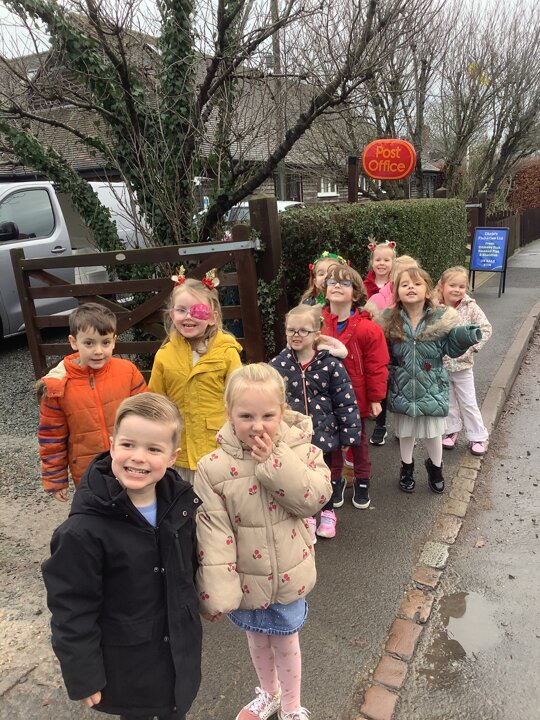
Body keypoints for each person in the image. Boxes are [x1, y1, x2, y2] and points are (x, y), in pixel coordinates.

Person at [41, 393, 202, 720]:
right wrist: (82, 672)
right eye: (129, 445)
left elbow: (189, 563)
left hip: (178, 653)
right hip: (130, 663)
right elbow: (72, 606)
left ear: (173, 457)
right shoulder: (83, 531)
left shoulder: (179, 506)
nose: (138, 457)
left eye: (153, 449)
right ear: (113, 446)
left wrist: (203, 598)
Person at [194, 364, 331, 720]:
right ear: (229, 414)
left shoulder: (301, 450)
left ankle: (291, 706)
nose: (257, 426)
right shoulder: (212, 467)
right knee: (256, 638)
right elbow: (214, 533)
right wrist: (216, 593)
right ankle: (269, 693)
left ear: (282, 411)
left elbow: (315, 498)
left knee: (286, 641)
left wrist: (275, 461)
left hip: (289, 572)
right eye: (246, 416)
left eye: (268, 415)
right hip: (245, 577)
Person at [379, 267, 483, 494]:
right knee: (406, 432)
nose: (411, 287)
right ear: (397, 292)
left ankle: (435, 467)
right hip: (402, 386)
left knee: (433, 432)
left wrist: (467, 335)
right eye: (404, 284)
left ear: (427, 290)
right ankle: (406, 467)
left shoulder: (440, 318)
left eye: (417, 283)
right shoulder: (389, 320)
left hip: (432, 385)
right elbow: (383, 353)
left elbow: (451, 347)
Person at [37, 302, 146, 501]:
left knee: (135, 511)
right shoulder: (57, 385)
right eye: (89, 343)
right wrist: (56, 479)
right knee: (97, 514)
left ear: (114, 341)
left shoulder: (128, 372)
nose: (98, 351)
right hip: (88, 471)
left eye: (105, 342)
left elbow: (146, 417)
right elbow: (51, 436)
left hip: (130, 464)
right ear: (73, 342)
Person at [270, 304, 361, 540]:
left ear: (316, 334)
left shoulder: (330, 364)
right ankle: (307, 516)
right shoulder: (278, 365)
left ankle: (328, 512)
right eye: (291, 330)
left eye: (303, 331)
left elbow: (345, 400)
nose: (296, 335)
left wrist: (348, 435)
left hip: (325, 433)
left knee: (326, 474)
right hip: (295, 435)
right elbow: (271, 399)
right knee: (300, 477)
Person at [148, 267, 242, 483]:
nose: (189, 316)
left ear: (212, 317)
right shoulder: (164, 355)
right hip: (179, 450)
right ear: (172, 315)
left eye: (198, 311)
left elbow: (239, 398)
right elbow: (155, 401)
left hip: (219, 448)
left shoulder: (227, 353)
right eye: (181, 310)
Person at [321, 263, 389, 510]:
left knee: (358, 441)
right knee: (331, 441)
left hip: (356, 396)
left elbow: (377, 366)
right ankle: (335, 480)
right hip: (325, 396)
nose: (337, 286)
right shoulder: (317, 324)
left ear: (356, 292)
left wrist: (376, 398)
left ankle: (362, 479)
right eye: (332, 282)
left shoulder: (368, 328)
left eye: (345, 283)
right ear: (325, 290)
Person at [361, 252, 420, 447]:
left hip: (408, 352)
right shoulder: (380, 298)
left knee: (406, 388)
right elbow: (369, 322)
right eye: (401, 275)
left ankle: (405, 427)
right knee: (384, 388)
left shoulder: (417, 297)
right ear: (392, 276)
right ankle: (380, 425)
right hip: (385, 350)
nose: (407, 281)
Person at [437, 266, 492, 455]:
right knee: (448, 401)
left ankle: (478, 436)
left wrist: (472, 348)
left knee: (468, 402)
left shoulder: (470, 307)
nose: (457, 289)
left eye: (461, 286)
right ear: (442, 286)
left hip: (463, 365)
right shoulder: (435, 307)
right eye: (452, 285)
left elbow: (486, 328)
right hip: (441, 365)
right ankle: (451, 430)